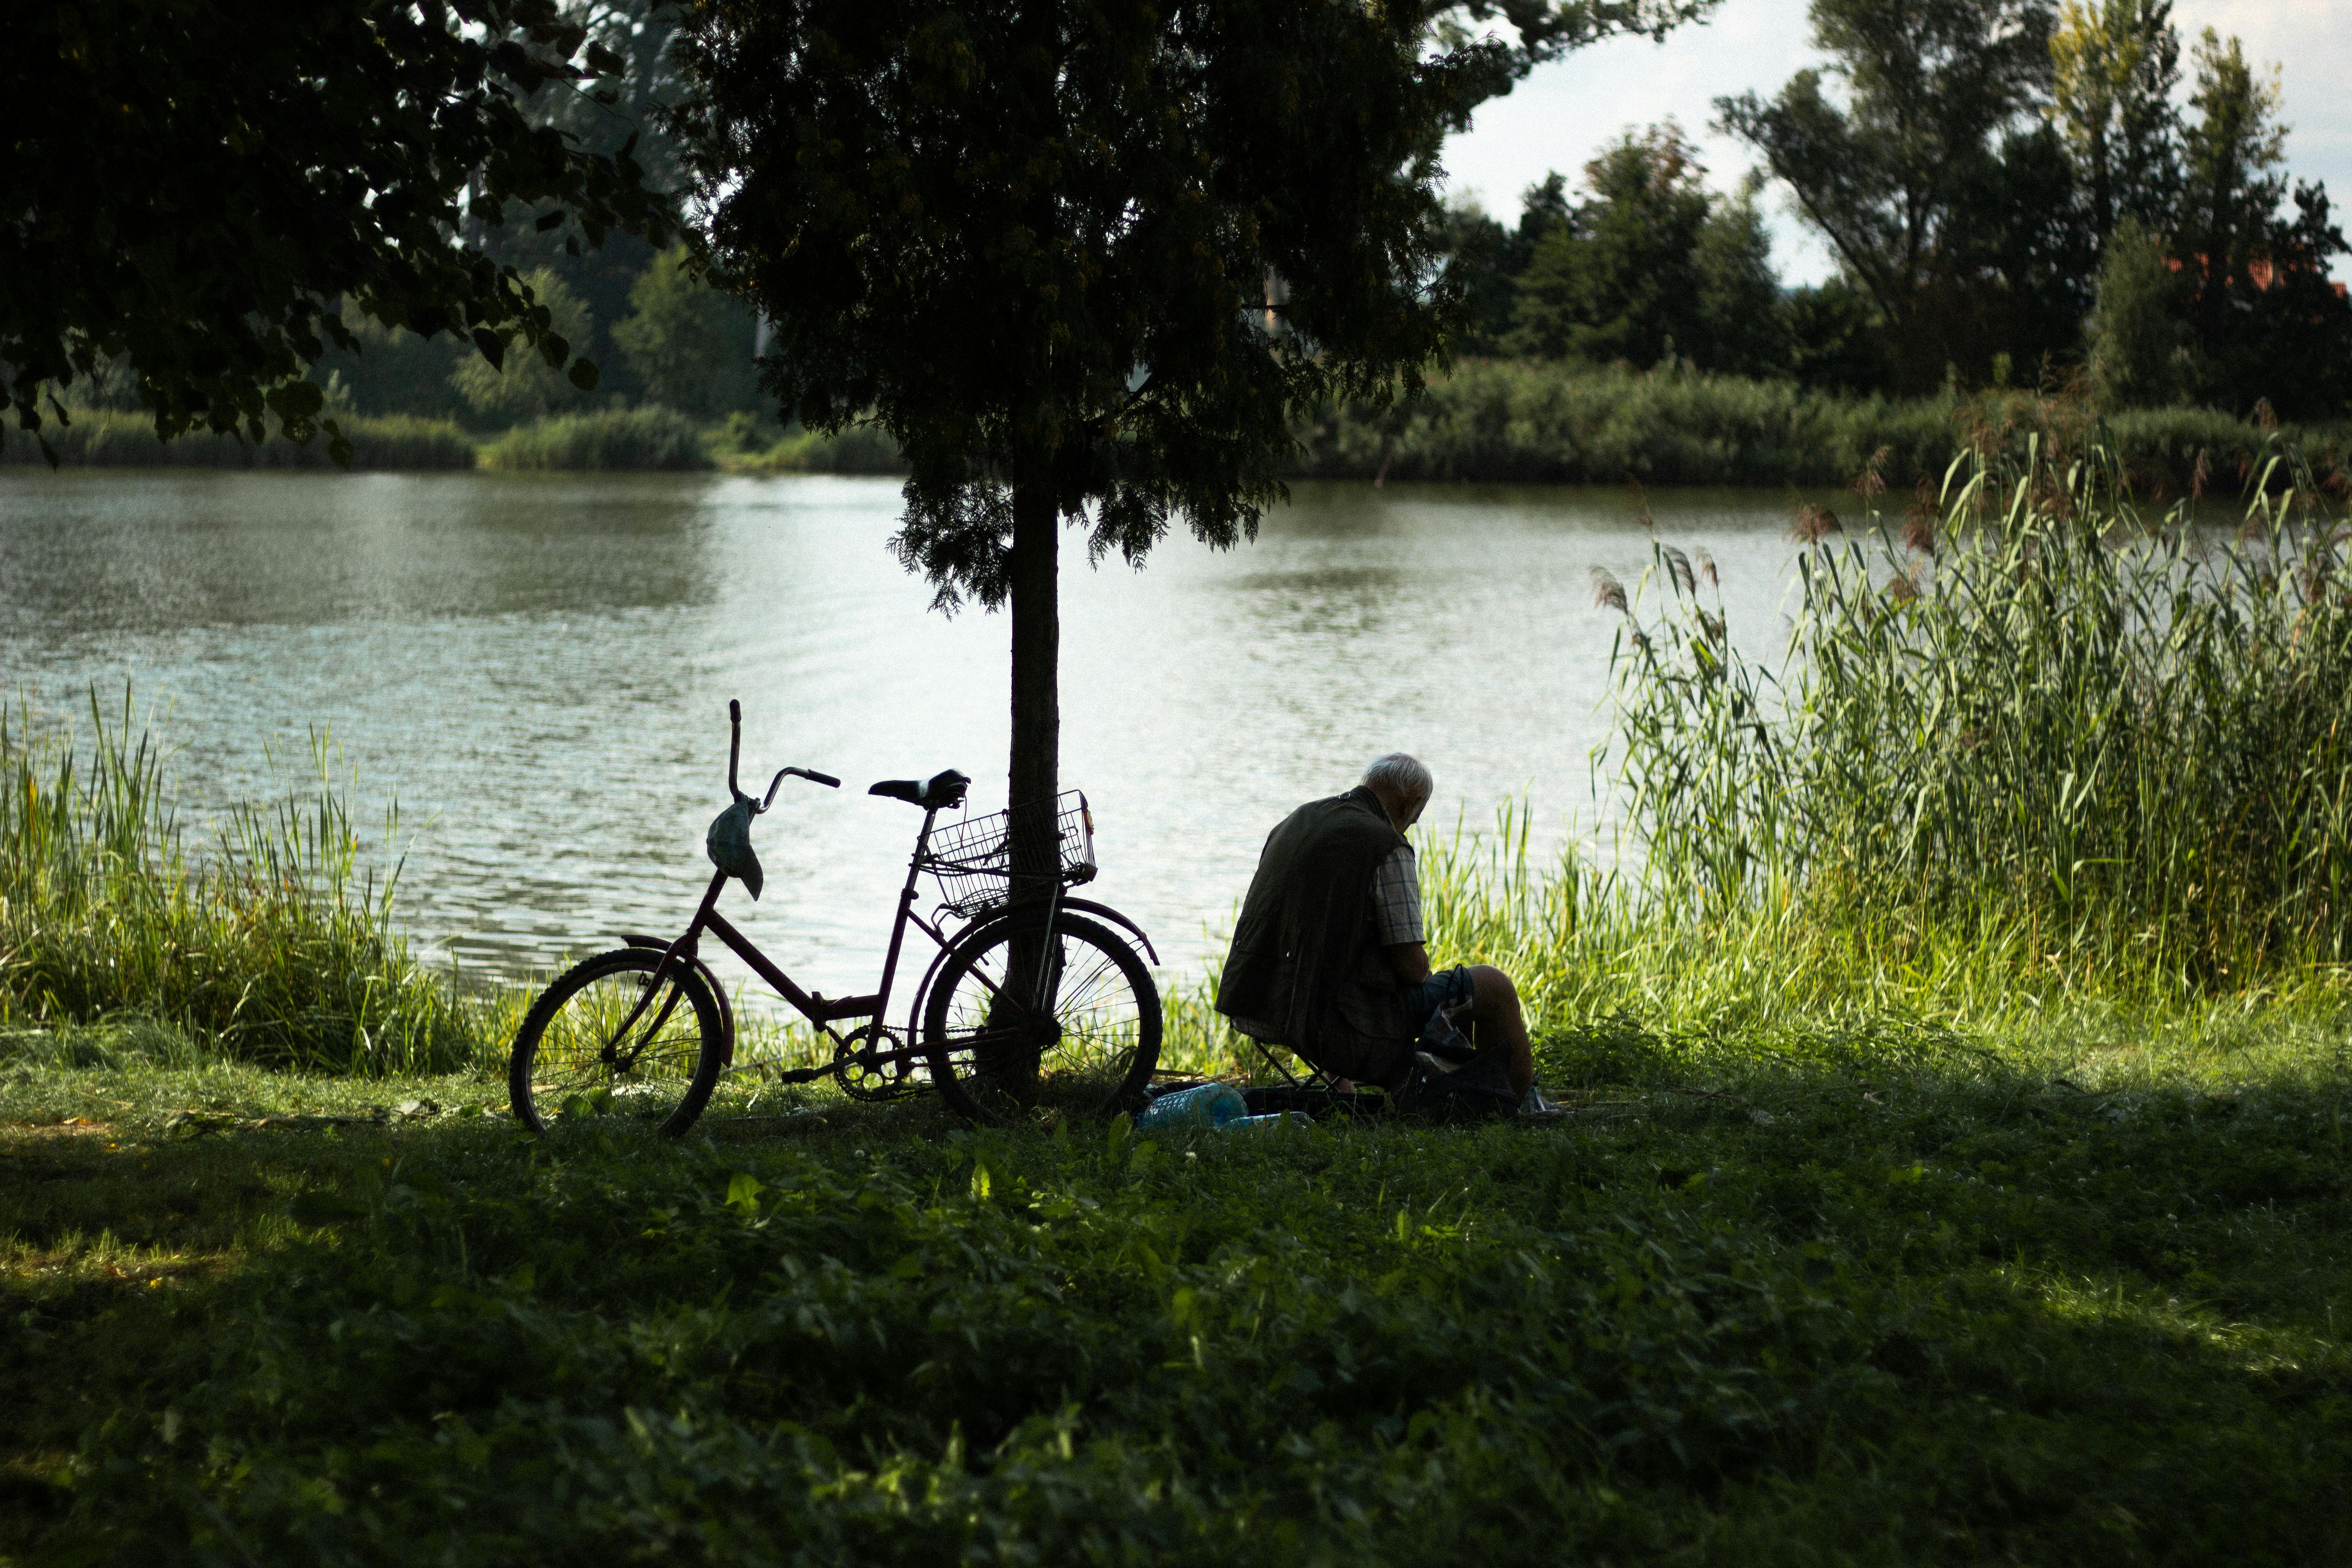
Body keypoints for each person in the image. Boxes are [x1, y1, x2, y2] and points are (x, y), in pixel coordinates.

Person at [1215, 754, 1545, 1107]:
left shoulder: (1298, 820)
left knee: (1349, 967)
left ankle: (1346, 1083)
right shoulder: (1386, 845)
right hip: (1328, 1021)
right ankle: (1517, 1105)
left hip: (1261, 1002)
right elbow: (1412, 969)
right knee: (1493, 985)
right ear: (1411, 805)